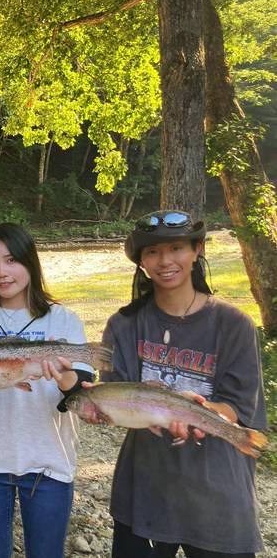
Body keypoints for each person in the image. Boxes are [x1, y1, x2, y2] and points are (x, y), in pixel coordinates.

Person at [97, 210, 266, 557]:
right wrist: (97, 408)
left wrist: (197, 410)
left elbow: (236, 406)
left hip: (217, 496)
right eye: (152, 252)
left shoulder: (234, 324)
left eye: (176, 248)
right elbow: (115, 395)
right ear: (141, 262)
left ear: (197, 250)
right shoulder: (123, 325)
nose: (165, 261)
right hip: (144, 491)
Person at [0, 222, 95, 558]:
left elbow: (81, 395)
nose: (1, 272)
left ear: (30, 262)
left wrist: (63, 376)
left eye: (11, 260)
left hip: (49, 462)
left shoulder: (63, 321)